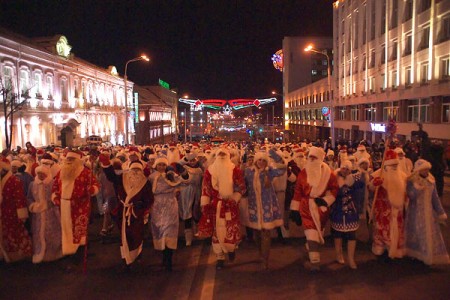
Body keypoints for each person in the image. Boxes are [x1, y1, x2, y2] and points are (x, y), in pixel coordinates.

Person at [100, 154, 154, 268]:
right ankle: (125, 256)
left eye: (137, 169)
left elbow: (149, 199)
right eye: (133, 169)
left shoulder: (145, 182)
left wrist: (142, 206)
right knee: (124, 235)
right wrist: (106, 165)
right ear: (129, 169)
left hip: (136, 213)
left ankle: (137, 256)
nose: (135, 172)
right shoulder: (122, 178)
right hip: (123, 211)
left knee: (137, 234)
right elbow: (111, 177)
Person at [290, 146, 339, 271]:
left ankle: (310, 247)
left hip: (321, 208)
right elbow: (297, 191)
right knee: (311, 231)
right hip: (306, 207)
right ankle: (315, 262)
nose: (311, 160)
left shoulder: (329, 174)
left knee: (317, 234)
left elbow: (334, 189)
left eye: (314, 157)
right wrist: (294, 209)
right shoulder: (303, 173)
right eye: (310, 157)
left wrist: (326, 200)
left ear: (320, 159)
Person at [199, 148, 246, 270]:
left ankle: (231, 248)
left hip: (231, 206)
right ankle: (219, 256)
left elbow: (241, 187)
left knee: (231, 228)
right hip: (215, 206)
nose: (221, 157)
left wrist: (235, 198)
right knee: (216, 231)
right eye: (219, 155)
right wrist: (205, 204)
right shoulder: (209, 171)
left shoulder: (235, 170)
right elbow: (206, 188)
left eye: (224, 155)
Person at [51, 150, 100, 264]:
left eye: (72, 159)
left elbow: (96, 185)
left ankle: (80, 253)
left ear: (78, 161)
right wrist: (55, 197)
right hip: (64, 205)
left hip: (80, 206)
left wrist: (91, 190)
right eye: (68, 159)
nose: (69, 162)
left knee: (79, 230)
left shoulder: (85, 172)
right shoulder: (61, 172)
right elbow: (55, 187)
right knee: (66, 229)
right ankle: (68, 252)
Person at [245, 149, 286, 269]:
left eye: (263, 160)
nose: (261, 162)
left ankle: (265, 259)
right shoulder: (248, 171)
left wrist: (274, 154)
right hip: (254, 206)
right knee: (256, 233)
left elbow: (283, 168)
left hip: (267, 205)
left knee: (266, 233)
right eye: (259, 160)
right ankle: (260, 253)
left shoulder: (270, 172)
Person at [405, 159, 449, 265]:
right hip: (415, 213)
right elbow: (410, 196)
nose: (426, 172)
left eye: (427, 169)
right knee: (417, 233)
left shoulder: (431, 180)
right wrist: (417, 188)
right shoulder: (411, 180)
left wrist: (440, 212)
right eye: (424, 170)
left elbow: (435, 198)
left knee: (428, 235)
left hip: (429, 213)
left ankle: (427, 256)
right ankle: (415, 255)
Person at [148, 157, 188, 271]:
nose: (161, 167)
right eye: (159, 165)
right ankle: (164, 257)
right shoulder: (151, 178)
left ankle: (169, 258)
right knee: (160, 230)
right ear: (156, 165)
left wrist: (182, 173)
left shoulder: (171, 175)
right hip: (157, 206)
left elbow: (184, 181)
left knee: (169, 230)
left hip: (170, 205)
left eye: (163, 165)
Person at [369, 149, 407, 259]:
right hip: (383, 210)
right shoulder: (378, 174)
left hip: (397, 209)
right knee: (382, 229)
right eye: (392, 165)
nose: (395, 167)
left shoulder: (403, 176)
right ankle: (381, 248)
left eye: (396, 165)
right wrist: (374, 184)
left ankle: (396, 249)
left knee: (397, 228)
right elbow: (370, 188)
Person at [330, 160, 365, 269]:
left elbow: (362, 183)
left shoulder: (353, 180)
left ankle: (351, 258)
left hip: (351, 212)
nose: (345, 171)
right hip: (338, 211)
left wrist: (361, 173)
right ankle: (338, 254)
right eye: (343, 168)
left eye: (347, 169)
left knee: (351, 235)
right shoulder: (334, 179)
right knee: (338, 234)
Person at [27, 165, 62, 263]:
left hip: (50, 213)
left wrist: (49, 204)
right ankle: (40, 253)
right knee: (38, 233)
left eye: (42, 174)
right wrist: (33, 206)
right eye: (39, 174)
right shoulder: (32, 184)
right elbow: (29, 198)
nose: (41, 176)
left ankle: (53, 253)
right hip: (38, 214)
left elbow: (57, 196)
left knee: (51, 233)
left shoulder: (53, 183)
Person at [0, 157, 32, 263]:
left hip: (13, 212)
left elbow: (20, 198)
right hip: (3, 212)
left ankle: (18, 254)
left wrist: (21, 214)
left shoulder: (14, 181)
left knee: (15, 233)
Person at [178, 151, 203, 246]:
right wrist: (185, 159)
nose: (192, 162)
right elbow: (177, 165)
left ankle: (196, 230)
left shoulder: (200, 170)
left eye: (194, 160)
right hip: (186, 193)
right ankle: (188, 237)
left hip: (196, 192)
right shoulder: (185, 168)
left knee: (195, 212)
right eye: (190, 160)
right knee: (187, 214)